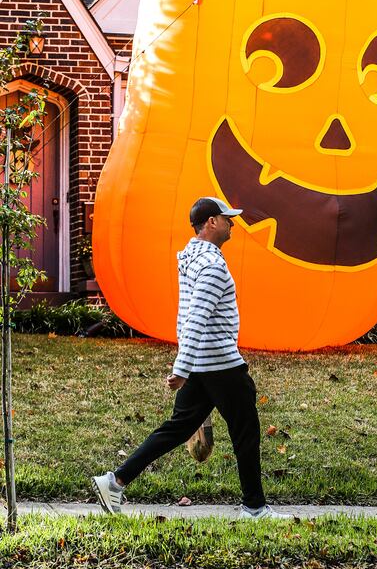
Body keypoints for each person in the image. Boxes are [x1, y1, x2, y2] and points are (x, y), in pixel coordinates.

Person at [92, 196, 289, 519]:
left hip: (202, 363)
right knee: (246, 431)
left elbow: (185, 318)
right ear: (211, 222)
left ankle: (115, 481)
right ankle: (254, 508)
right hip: (220, 364)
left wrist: (188, 364)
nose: (232, 223)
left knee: (178, 428)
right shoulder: (212, 266)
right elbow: (196, 317)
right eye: (227, 218)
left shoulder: (192, 259)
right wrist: (181, 369)